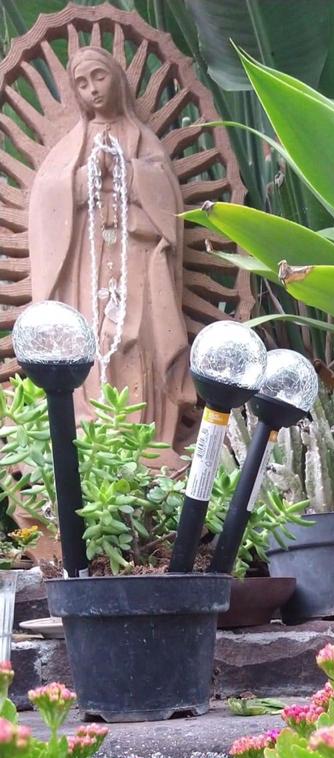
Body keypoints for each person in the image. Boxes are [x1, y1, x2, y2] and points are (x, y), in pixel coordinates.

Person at [27, 46, 194, 457]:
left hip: (135, 258)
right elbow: (48, 201)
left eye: (98, 77)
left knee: (134, 340)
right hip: (88, 264)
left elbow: (165, 201)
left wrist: (128, 171)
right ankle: (92, 431)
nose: (92, 90)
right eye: (82, 84)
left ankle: (147, 436)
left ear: (117, 78)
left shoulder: (143, 140)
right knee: (93, 336)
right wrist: (86, 177)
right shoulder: (74, 144)